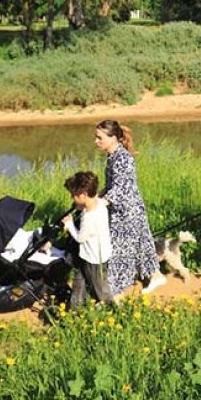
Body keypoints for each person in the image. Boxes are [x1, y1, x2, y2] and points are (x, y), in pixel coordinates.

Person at [94, 120, 166, 298]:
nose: (96, 141)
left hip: (126, 212)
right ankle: (156, 276)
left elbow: (121, 189)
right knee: (142, 246)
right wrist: (97, 196)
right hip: (130, 209)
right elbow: (112, 186)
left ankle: (115, 290)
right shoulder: (114, 157)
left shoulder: (122, 158)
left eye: (99, 137)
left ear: (112, 138)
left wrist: (102, 203)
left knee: (120, 251)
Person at [61, 171, 114, 307]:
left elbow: (80, 238)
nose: (72, 199)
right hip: (89, 255)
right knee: (79, 282)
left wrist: (69, 224)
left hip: (95, 260)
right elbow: (97, 200)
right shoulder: (99, 203)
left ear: (83, 195)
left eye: (73, 196)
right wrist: (81, 206)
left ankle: (111, 308)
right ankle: (75, 308)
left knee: (100, 288)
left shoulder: (90, 217)